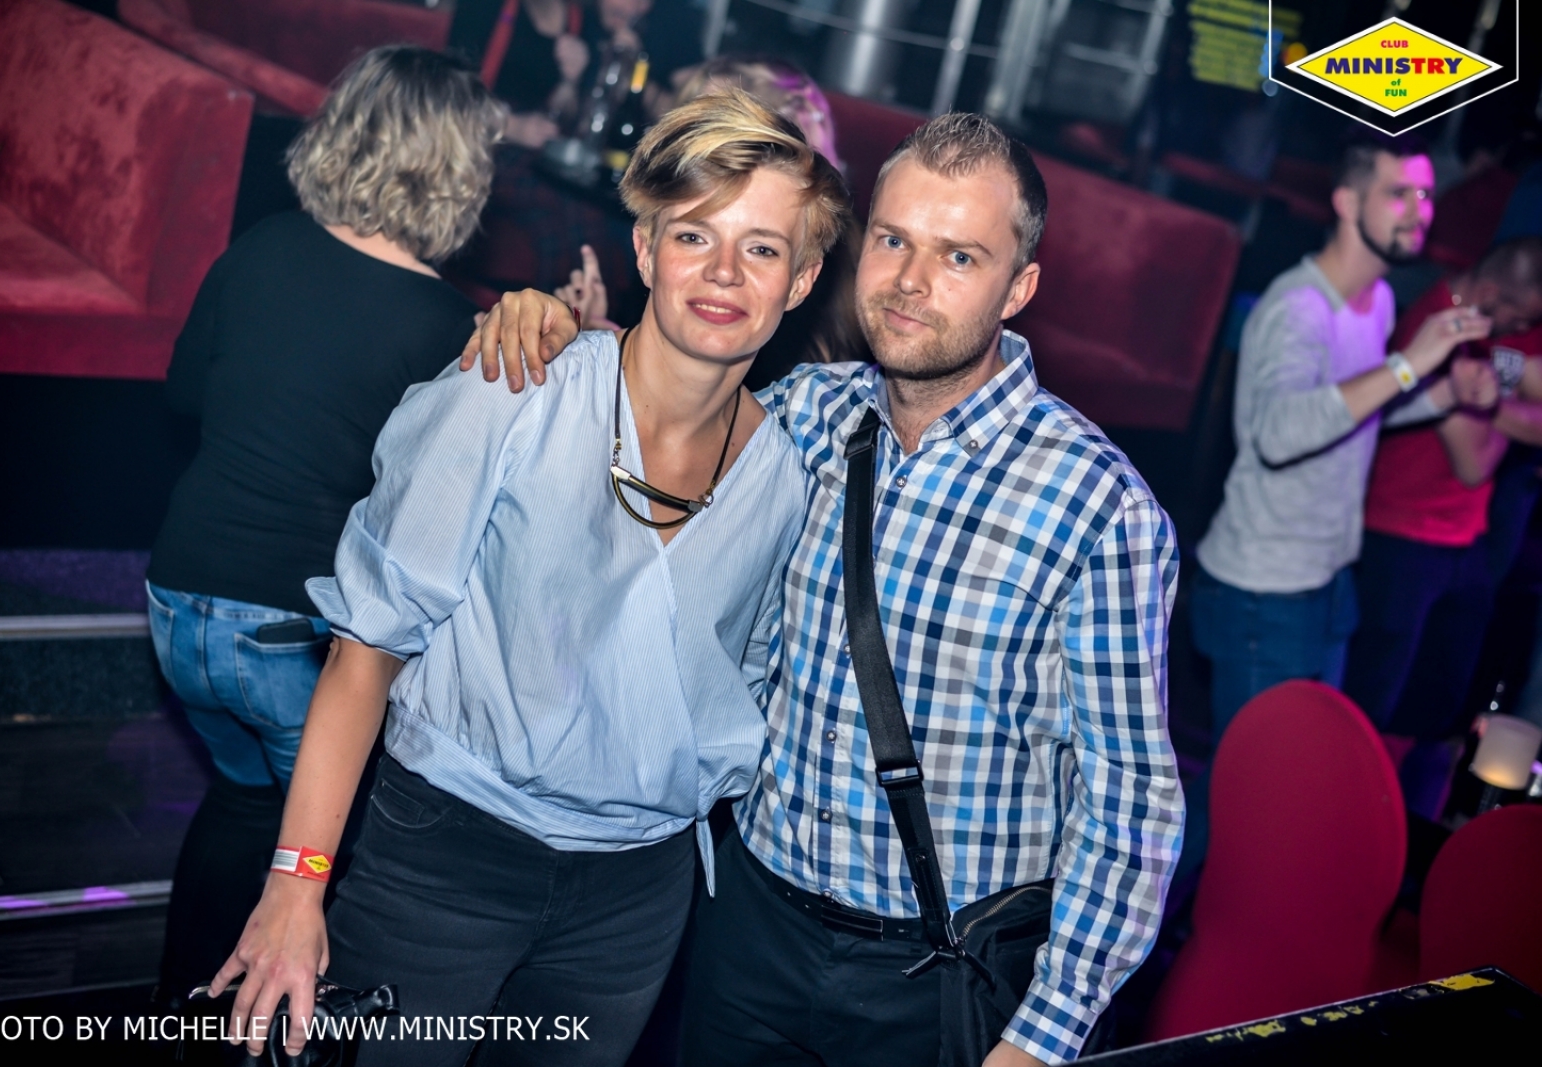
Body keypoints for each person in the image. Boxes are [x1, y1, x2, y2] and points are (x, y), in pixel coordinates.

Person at [471, 111, 1182, 1067]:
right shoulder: (806, 414)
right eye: (892, 240)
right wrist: (555, 332)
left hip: (939, 970)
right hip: (749, 927)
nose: (910, 280)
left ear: (1019, 288)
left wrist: (1043, 1034)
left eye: (959, 257)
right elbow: (656, 401)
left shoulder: (1099, 506)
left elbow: (1130, 802)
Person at [210, 90, 849, 1066]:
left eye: (761, 248)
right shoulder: (516, 385)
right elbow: (364, 650)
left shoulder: (786, 481)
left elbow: (745, 679)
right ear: (645, 250)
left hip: (635, 899)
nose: (723, 272)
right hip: (445, 856)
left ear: (800, 280)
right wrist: (297, 883)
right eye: (694, 235)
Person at [143, 47, 505, 1010]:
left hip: (177, 601)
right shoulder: (442, 324)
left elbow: (183, 395)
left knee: (242, 801)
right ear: (460, 169)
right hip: (292, 633)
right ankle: (284, 1028)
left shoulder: (261, 245)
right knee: (332, 856)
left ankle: (185, 1012)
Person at [1184, 131, 1499, 874]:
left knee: (1289, 787)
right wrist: (1409, 366)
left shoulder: (1377, 298)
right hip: (1264, 594)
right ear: (1347, 202)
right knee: (1244, 792)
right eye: (1399, 193)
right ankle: (1145, 922)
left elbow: (1353, 410)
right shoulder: (1298, 309)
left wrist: (1441, 395)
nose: (1419, 210)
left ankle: (1233, 918)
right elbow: (1276, 434)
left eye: (1426, 194)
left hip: (1326, 583)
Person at [1345, 237, 1542, 817]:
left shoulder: (1502, 329)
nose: (1524, 329)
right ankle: (1346, 818)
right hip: (1400, 537)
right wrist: (1510, 397)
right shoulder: (1431, 326)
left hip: (1467, 542)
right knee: (1371, 707)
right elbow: (1474, 462)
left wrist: (1492, 395)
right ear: (1489, 293)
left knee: (1439, 712)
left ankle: (1398, 829)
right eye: (1520, 318)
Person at [556, 56, 864, 385]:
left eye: (717, 122)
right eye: (689, 120)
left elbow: (743, 377)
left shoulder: (823, 253)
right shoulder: (670, 223)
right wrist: (600, 334)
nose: (724, 271)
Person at [451, 0, 701, 147]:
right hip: (475, 137)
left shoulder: (669, 20)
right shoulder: (583, 20)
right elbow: (446, 90)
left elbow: (696, 112)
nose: (637, 8)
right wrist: (512, 126)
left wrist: (631, 74)